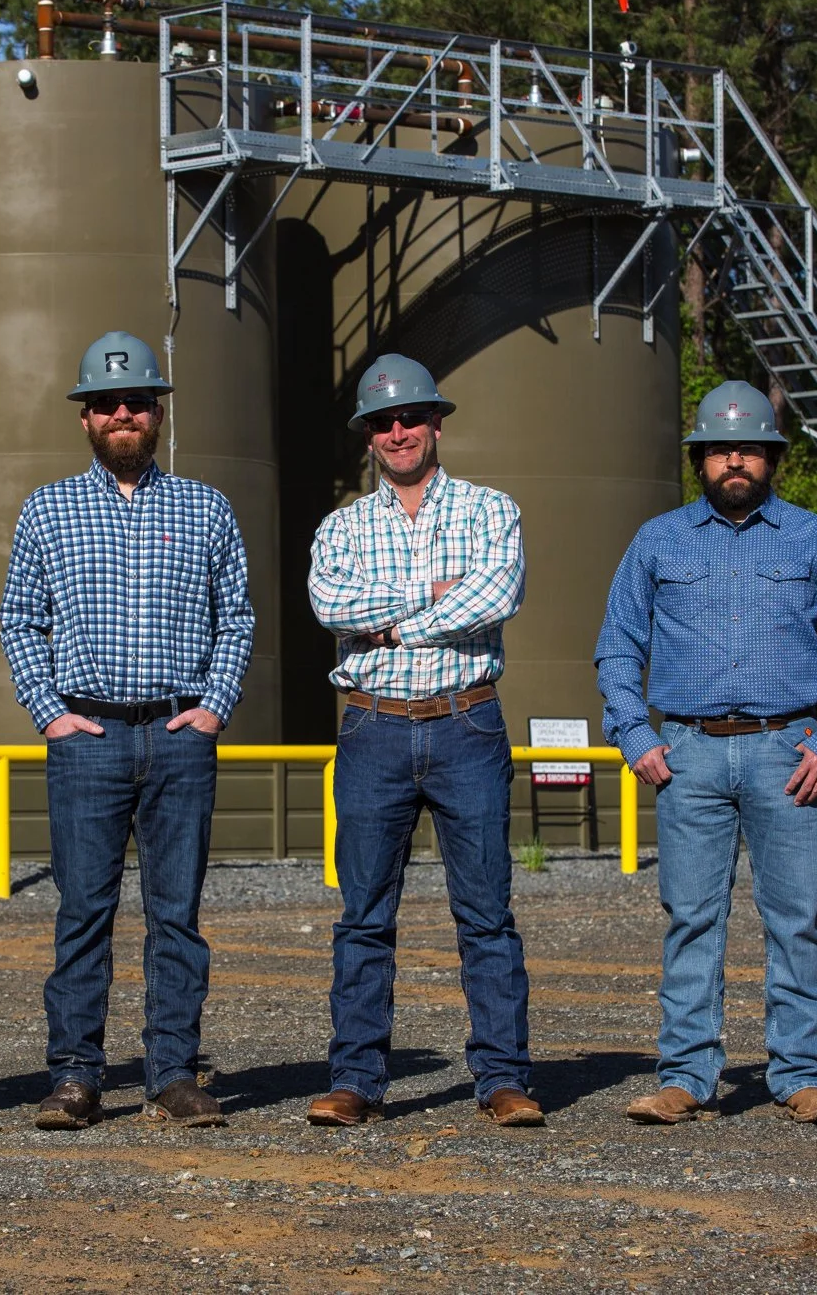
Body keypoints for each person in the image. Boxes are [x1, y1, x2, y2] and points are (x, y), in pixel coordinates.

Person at [596, 382, 817, 1126]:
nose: (735, 461)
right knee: (691, 918)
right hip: (686, 751)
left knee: (796, 920)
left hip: (789, 751)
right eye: (721, 450)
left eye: (749, 449)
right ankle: (686, 1075)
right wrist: (634, 734)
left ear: (772, 458)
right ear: (700, 459)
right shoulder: (658, 541)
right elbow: (618, 646)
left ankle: (804, 1075)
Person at [0, 331, 254, 1131]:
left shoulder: (206, 507)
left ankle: (174, 1073)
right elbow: (18, 619)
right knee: (83, 911)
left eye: (136, 404)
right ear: (85, 418)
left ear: (157, 414)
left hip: (179, 736)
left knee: (175, 912)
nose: (121, 416)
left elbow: (237, 617)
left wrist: (214, 705)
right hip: (90, 739)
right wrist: (49, 714)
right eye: (106, 405)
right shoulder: (48, 508)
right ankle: (76, 1075)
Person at [305, 353, 542, 1128]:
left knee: (485, 913)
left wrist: (389, 621)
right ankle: (356, 1081)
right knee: (363, 915)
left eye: (411, 417)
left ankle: (503, 1079)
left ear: (437, 420)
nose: (399, 431)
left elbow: (497, 589)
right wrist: (434, 602)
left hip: (466, 721)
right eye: (383, 421)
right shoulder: (340, 526)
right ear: (369, 437)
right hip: (372, 725)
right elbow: (327, 603)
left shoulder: (489, 509)